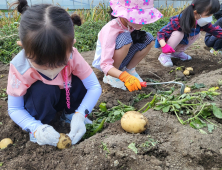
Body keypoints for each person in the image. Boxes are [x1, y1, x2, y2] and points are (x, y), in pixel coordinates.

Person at [7, 0, 102, 147]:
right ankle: (42, 125)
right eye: (40, 63)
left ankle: (70, 114)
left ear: (72, 45)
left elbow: (94, 87)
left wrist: (80, 114)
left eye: (59, 63)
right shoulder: (20, 67)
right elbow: (14, 108)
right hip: (41, 102)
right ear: (23, 47)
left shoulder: (73, 56)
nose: (51, 70)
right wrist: (34, 127)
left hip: (65, 95)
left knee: (79, 79)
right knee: (43, 88)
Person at [92, 0, 163, 91]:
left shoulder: (130, 25)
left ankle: (129, 70)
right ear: (125, 15)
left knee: (148, 38)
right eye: (139, 18)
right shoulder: (110, 29)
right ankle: (111, 77)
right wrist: (124, 77)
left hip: (122, 58)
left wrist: (127, 74)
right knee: (125, 38)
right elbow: (105, 64)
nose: (142, 22)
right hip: (108, 65)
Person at [155, 0, 222, 67]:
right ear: (195, 13)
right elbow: (161, 33)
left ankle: (177, 53)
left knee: (197, 34)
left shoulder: (201, 22)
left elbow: (216, 31)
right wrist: (164, 46)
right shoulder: (179, 20)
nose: (210, 17)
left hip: (178, 43)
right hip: (165, 44)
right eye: (208, 15)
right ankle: (164, 55)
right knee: (179, 34)